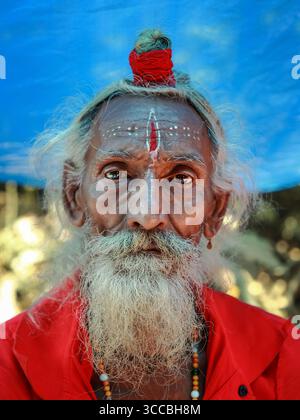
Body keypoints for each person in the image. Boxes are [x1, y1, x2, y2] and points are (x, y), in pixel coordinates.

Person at [0, 28, 299, 400]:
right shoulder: (7, 365)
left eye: (180, 178)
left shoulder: (285, 360)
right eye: (116, 175)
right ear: (74, 197)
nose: (148, 214)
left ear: (215, 210)